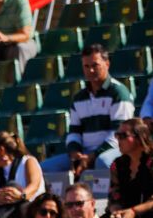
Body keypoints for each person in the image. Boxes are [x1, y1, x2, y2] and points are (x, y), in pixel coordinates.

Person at [42, 44, 136, 173]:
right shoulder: (79, 97)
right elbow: (74, 132)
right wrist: (75, 153)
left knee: (102, 162)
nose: (90, 70)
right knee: (45, 168)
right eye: (86, 66)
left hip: (115, 151)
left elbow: (118, 135)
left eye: (95, 65)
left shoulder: (119, 93)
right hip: (85, 153)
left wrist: (93, 156)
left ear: (107, 64)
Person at [107, 119, 153, 218]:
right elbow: (114, 195)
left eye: (123, 136)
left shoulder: (151, 160)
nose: (118, 140)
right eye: (117, 135)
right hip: (125, 215)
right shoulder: (117, 164)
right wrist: (116, 212)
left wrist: (133, 211)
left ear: (139, 137)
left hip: (148, 215)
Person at [0, 131, 43, 218]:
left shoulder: (28, 161)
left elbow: (34, 186)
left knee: (12, 186)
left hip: (30, 210)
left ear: (1, 150)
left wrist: (20, 195)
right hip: (8, 215)